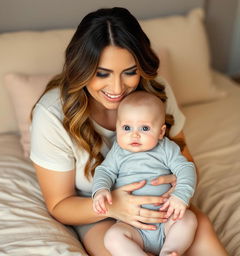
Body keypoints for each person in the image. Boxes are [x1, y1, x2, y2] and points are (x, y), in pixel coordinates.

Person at [30, 7, 228, 256]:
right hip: (98, 213)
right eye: (102, 74)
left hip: (162, 207)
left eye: (130, 72)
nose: (117, 88)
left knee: (201, 229)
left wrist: (180, 187)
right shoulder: (52, 113)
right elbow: (59, 204)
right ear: (81, 69)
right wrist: (114, 208)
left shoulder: (156, 93)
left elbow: (185, 159)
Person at [92, 91, 197, 256]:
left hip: (167, 218)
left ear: (161, 132)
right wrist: (100, 190)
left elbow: (186, 168)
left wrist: (180, 196)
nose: (134, 134)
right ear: (117, 127)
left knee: (189, 220)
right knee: (112, 237)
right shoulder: (118, 151)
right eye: (126, 127)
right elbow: (105, 171)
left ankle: (170, 250)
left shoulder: (166, 148)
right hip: (133, 225)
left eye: (145, 128)